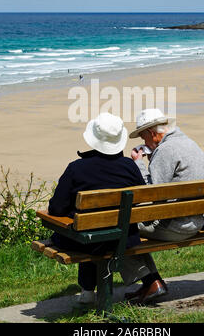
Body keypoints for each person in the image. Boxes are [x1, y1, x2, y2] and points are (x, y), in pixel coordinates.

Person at [48, 112, 166, 305]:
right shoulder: (129, 166)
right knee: (94, 229)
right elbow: (138, 201)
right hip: (124, 238)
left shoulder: (76, 168)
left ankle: (87, 291)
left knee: (81, 230)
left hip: (89, 241)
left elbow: (56, 209)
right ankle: (91, 290)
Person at [129, 108, 204, 242]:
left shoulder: (165, 150)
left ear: (151, 133)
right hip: (196, 222)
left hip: (175, 228)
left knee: (122, 227)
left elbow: (151, 193)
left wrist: (138, 163)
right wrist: (154, 160)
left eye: (144, 138)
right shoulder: (190, 143)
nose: (145, 143)